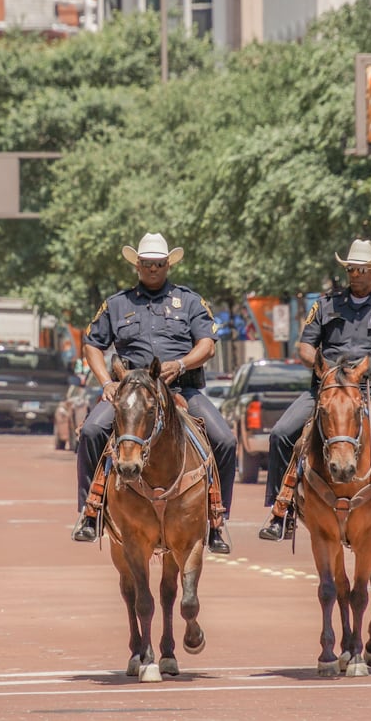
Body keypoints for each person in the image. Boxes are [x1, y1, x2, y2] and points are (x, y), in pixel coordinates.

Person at [71, 232, 237, 554]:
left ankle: (217, 520)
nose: (153, 269)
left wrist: (182, 363)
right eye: (147, 264)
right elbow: (92, 344)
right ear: (137, 265)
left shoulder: (190, 301)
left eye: (158, 264)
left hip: (180, 389)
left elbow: (207, 345)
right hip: (131, 392)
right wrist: (107, 383)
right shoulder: (117, 304)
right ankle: (90, 513)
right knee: (91, 431)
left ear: (167, 265)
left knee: (225, 441)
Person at [258, 239, 371, 544]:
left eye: (362, 270)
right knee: (281, 433)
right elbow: (304, 347)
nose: (356, 275)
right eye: (351, 269)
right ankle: (280, 511)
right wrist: (323, 368)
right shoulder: (324, 305)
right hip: (329, 388)